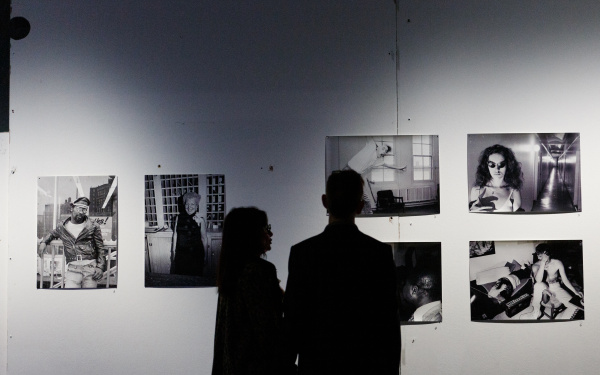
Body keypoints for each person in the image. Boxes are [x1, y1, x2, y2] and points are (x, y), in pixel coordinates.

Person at [284, 170, 400, 375]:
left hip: (316, 366)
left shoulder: (302, 254)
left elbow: (293, 323)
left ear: (324, 202)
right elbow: (389, 326)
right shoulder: (379, 254)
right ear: (360, 206)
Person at [212, 207, 293, 375]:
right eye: (266, 228)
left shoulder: (231, 271)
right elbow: (268, 331)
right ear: (252, 234)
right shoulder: (259, 271)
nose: (270, 234)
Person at [38, 197, 106, 288]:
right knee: (70, 297)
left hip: (90, 269)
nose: (82, 212)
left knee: (89, 299)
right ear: (72, 208)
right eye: (79, 208)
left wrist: (100, 267)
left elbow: (100, 247)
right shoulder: (62, 227)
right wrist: (43, 242)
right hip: (73, 269)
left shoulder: (93, 225)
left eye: (85, 210)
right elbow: (51, 233)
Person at [520, 243, 583, 320]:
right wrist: (542, 263)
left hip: (555, 287)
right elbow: (538, 280)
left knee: (574, 306)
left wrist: (575, 291)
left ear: (547, 253)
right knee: (538, 285)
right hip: (543, 289)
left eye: (540, 255)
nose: (538, 257)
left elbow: (565, 280)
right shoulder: (536, 266)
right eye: (538, 255)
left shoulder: (557, 263)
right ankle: (536, 312)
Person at [469, 144, 523, 212]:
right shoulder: (477, 190)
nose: (497, 169)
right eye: (492, 164)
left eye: (501, 164)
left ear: (508, 165)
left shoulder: (513, 191)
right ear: (486, 166)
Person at [171, 191, 207, 276]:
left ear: (196, 206)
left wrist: (205, 256)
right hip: (181, 255)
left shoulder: (201, 220)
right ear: (184, 205)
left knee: (195, 279)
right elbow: (175, 235)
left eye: (192, 204)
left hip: (196, 255)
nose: (189, 207)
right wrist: (173, 252)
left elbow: (204, 239)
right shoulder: (178, 218)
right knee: (181, 278)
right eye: (187, 204)